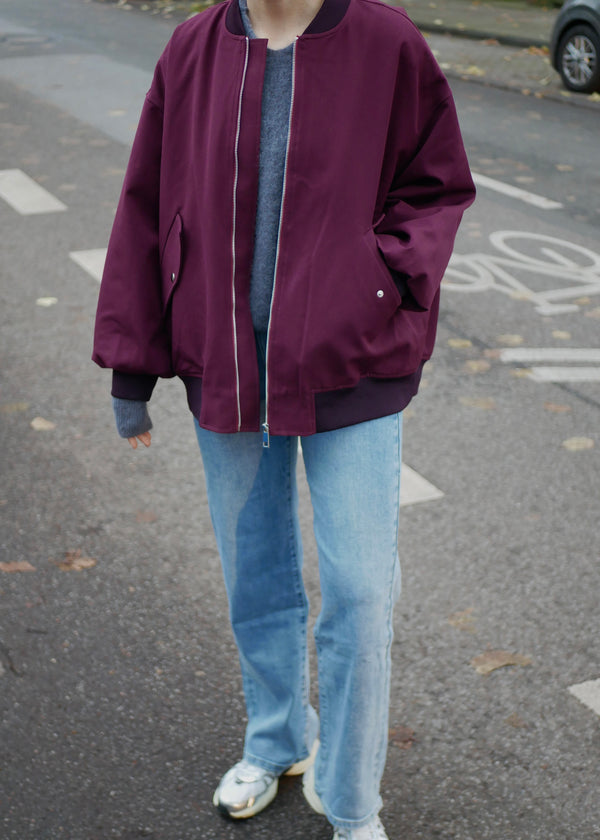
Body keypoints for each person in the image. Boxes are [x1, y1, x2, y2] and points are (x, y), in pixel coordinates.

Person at [93, 0, 476, 835]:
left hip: (354, 365)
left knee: (361, 590)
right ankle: (275, 740)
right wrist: (133, 366)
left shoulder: (385, 42)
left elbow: (437, 185)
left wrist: (387, 277)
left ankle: (350, 797)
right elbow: (147, 206)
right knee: (256, 579)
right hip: (222, 365)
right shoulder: (193, 46)